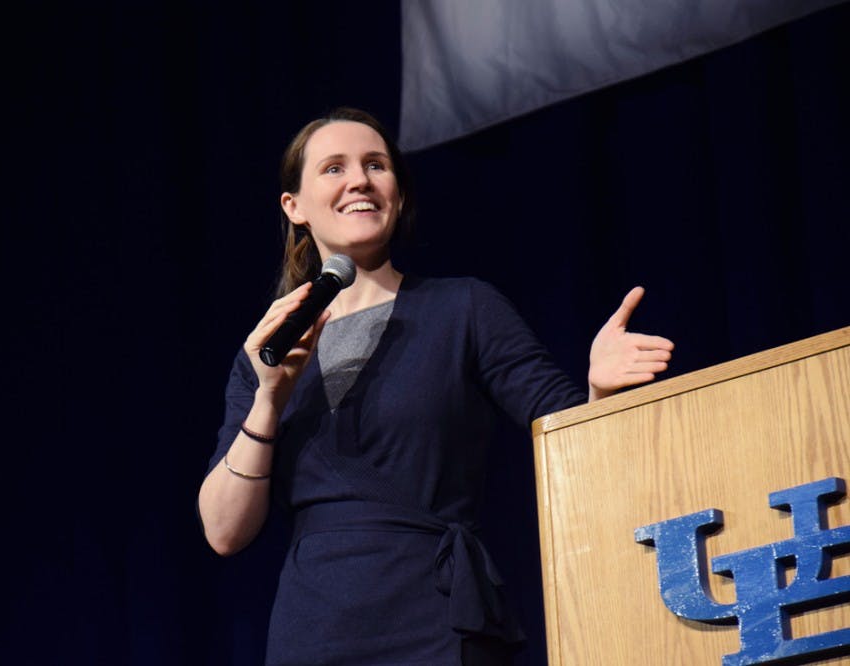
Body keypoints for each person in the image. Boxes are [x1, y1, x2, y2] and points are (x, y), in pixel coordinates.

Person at [198, 107, 674, 665]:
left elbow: (569, 442)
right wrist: (269, 397)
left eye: (376, 165)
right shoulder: (265, 353)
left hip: (436, 618)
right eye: (334, 168)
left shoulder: (463, 308)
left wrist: (599, 394)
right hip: (314, 631)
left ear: (396, 194)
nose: (360, 180)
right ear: (294, 207)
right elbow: (225, 531)